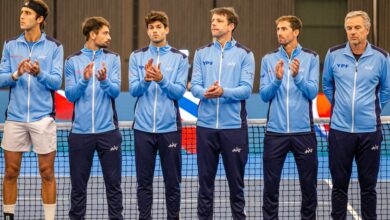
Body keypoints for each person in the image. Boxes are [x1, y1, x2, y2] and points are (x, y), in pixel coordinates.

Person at [322, 10, 390, 220]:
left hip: (370, 132)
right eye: (349, 28)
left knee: (368, 188)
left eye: (357, 27)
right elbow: (327, 84)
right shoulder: (333, 54)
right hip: (340, 132)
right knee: (339, 187)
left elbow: (386, 89)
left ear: (367, 30)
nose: (353, 32)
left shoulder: (382, 57)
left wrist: (371, 108)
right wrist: (341, 106)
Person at [0, 0, 63, 219]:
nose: (22, 16)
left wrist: (39, 73)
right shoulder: (10, 45)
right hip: (15, 119)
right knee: (10, 172)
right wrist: (16, 74)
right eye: (21, 12)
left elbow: (56, 82)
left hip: (42, 119)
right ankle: (8, 216)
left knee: (47, 173)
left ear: (39, 19)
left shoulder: (54, 46)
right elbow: (1, 78)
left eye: (27, 13)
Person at [191, 7, 255, 220]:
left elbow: (246, 89)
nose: (214, 23)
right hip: (206, 128)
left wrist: (223, 92)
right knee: (205, 185)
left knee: (236, 185)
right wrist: (206, 93)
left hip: (234, 129)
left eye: (219, 20)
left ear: (231, 26)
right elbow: (195, 87)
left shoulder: (245, 54)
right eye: (212, 20)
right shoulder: (201, 53)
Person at [128, 11, 188, 220]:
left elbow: (178, 92)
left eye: (158, 27)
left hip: (169, 129)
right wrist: (145, 79)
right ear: (148, 31)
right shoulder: (137, 56)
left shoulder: (179, 58)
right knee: (144, 183)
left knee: (172, 182)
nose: (155, 31)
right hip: (142, 130)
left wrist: (161, 79)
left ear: (166, 29)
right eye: (151, 27)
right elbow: (134, 91)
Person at [260, 15, 319, 220]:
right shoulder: (268, 59)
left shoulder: (311, 57)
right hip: (274, 134)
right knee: (270, 188)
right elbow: (265, 95)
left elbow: (312, 92)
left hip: (304, 133)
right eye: (278, 29)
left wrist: (297, 77)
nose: (279, 33)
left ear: (296, 32)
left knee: (309, 188)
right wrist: (277, 80)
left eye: (284, 29)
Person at [64, 17, 123, 220]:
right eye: (105, 32)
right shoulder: (72, 61)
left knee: (114, 187)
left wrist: (104, 80)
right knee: (78, 189)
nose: (109, 36)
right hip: (80, 135)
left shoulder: (114, 59)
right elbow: (71, 95)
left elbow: (115, 92)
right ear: (92, 34)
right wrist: (84, 80)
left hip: (109, 133)